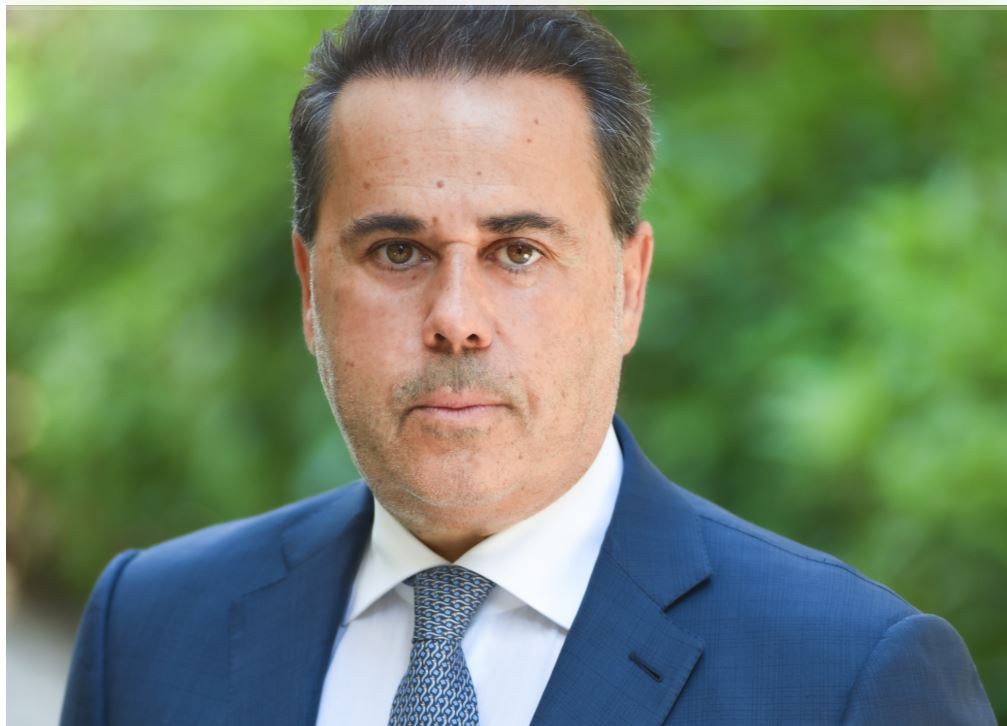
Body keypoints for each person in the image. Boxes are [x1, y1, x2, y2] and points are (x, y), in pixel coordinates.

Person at [61, 7, 994, 725]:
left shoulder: (848, 680)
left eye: (517, 252)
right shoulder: (147, 629)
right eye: (396, 251)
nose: (455, 321)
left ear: (628, 286)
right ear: (310, 290)